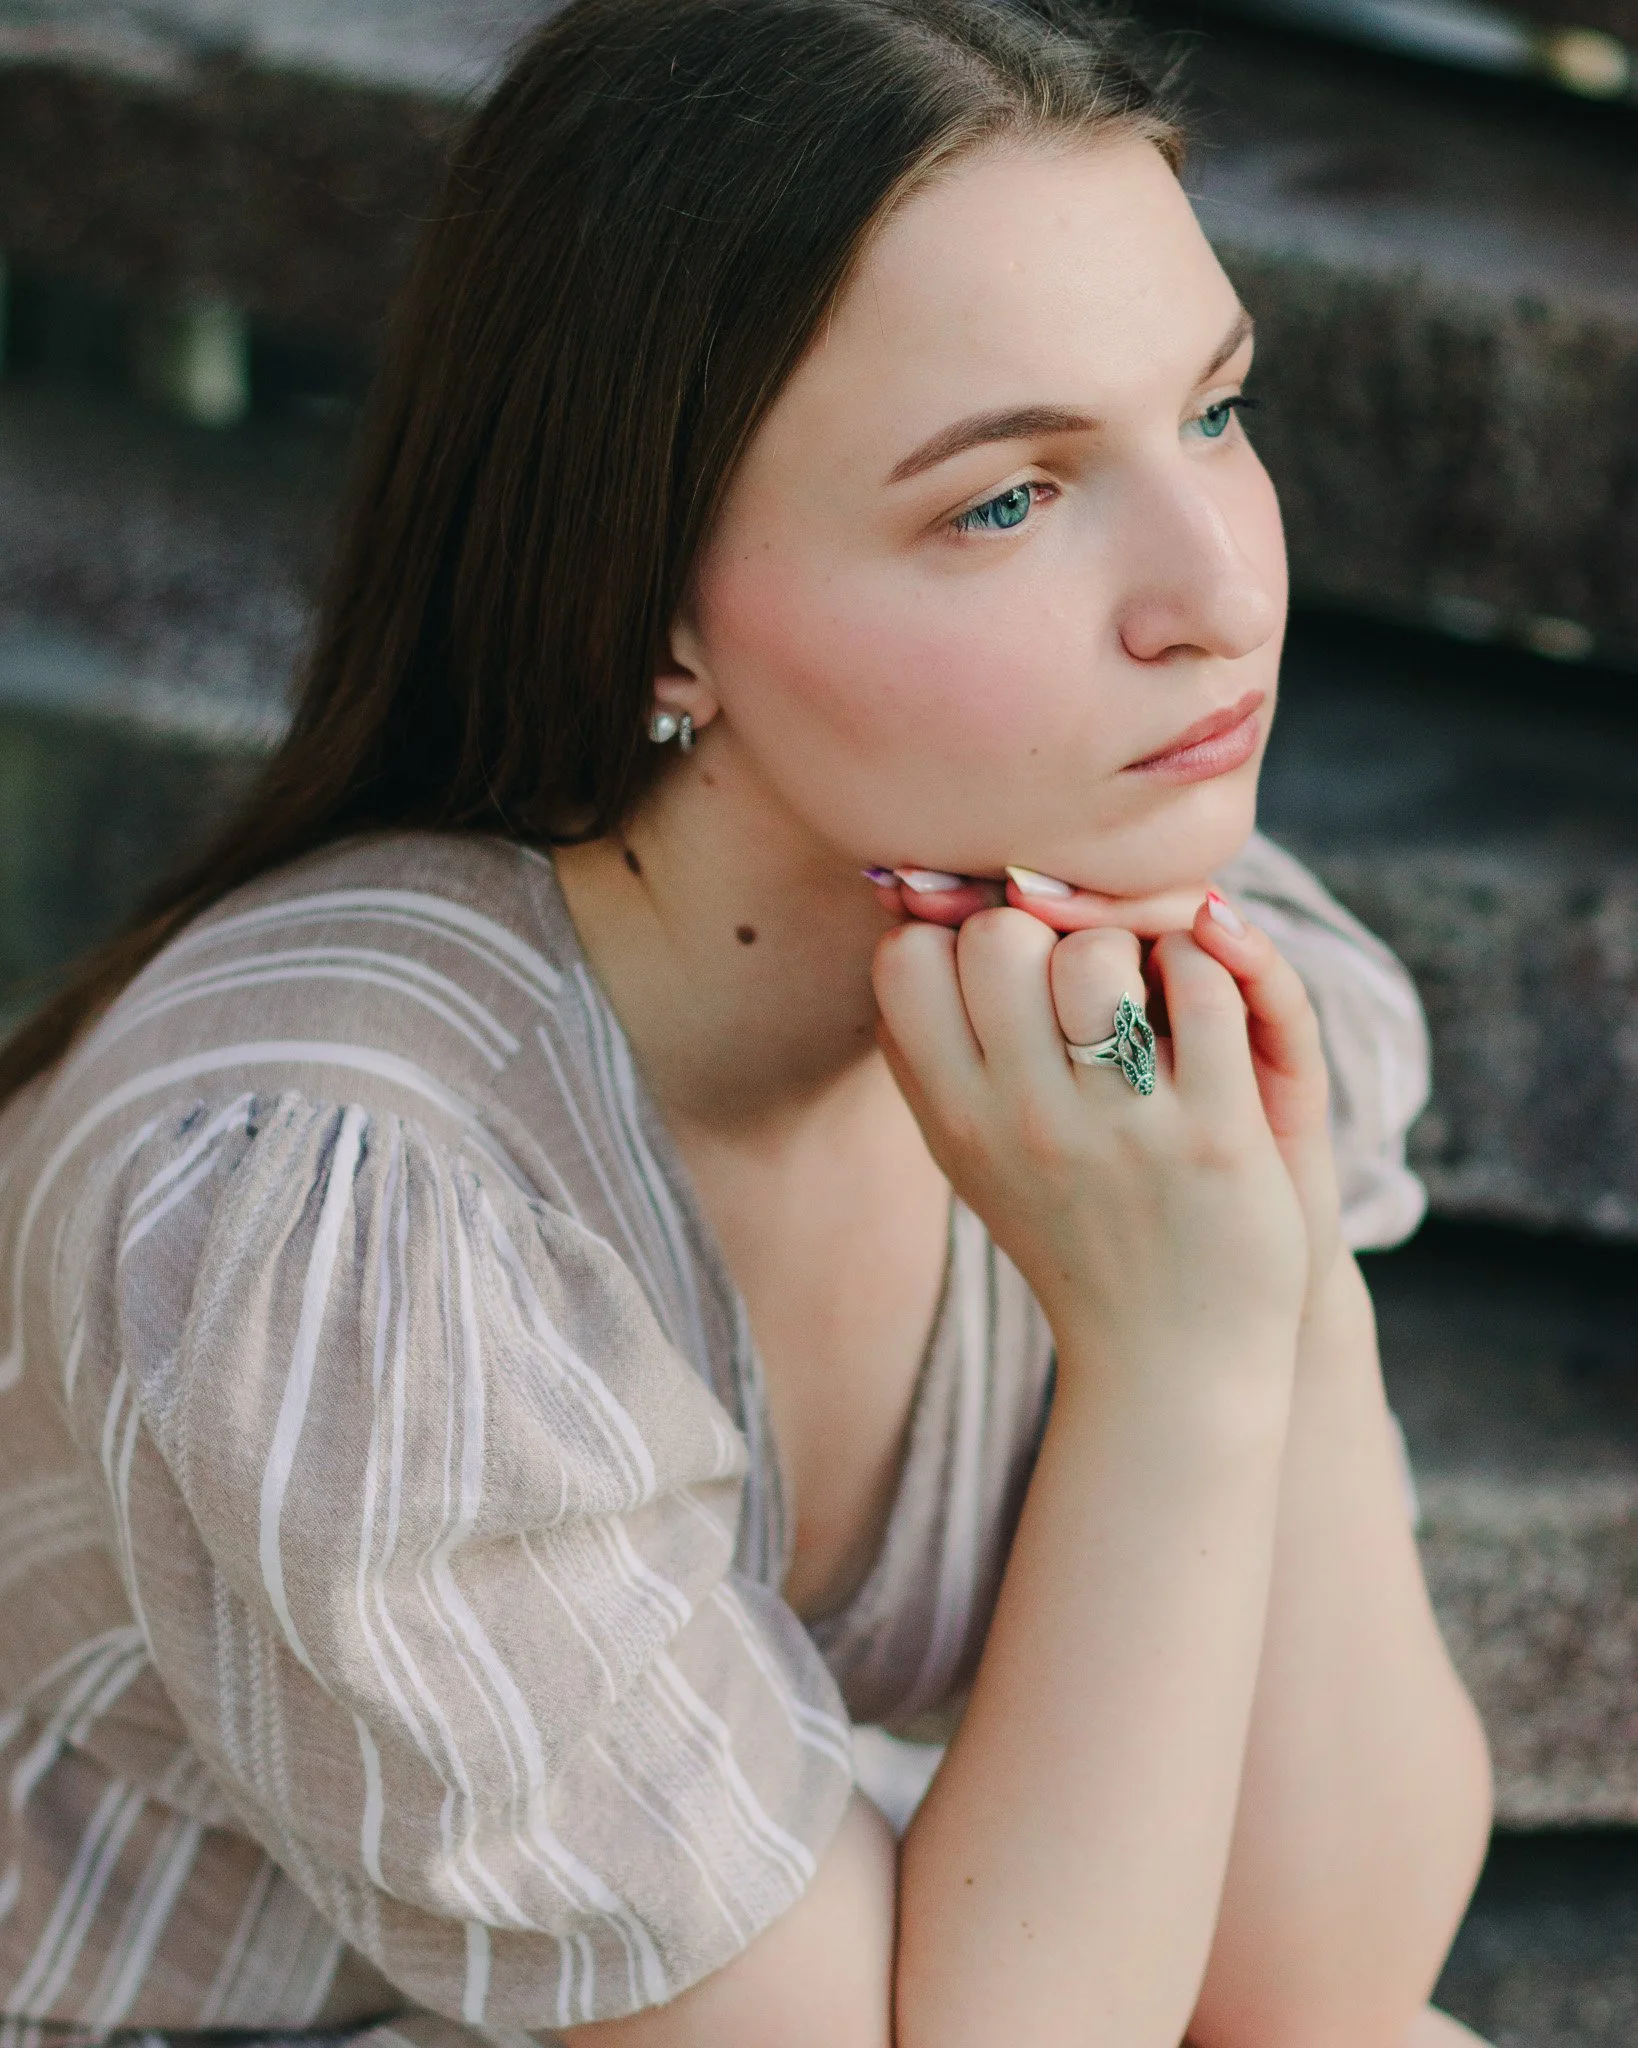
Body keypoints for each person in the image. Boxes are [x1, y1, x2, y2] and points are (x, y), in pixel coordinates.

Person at [0, 1, 1496, 2042]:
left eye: (1215, 415)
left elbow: (1320, 1982)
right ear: (653, 610)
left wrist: (1260, 1280)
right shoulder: (347, 1213)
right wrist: (1167, 1364)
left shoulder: (1118, 970)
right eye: (1009, 499)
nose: (1215, 593)